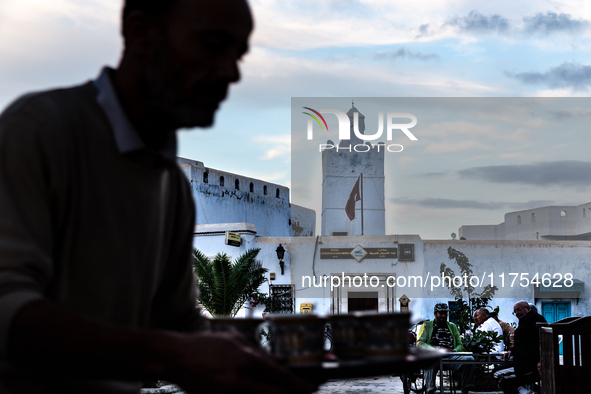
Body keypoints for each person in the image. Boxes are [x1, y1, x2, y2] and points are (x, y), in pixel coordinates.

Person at [0, 1, 314, 393]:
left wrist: (247, 359)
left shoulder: (170, 188)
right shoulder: (40, 133)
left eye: (237, 55)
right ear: (141, 34)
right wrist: (167, 353)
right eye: (213, 45)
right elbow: (8, 310)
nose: (231, 72)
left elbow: (177, 321)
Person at [417, 303, 475, 394]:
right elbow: (420, 343)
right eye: (441, 313)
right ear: (435, 314)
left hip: (450, 356)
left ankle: (465, 390)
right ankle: (430, 390)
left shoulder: (452, 326)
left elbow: (460, 344)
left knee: (469, 359)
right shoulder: (426, 325)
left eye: (445, 313)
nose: (443, 316)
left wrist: (454, 350)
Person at [494, 301, 547, 394]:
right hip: (522, 363)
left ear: (528, 308)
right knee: (508, 380)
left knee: (497, 374)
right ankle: (523, 391)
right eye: (515, 311)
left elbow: (539, 342)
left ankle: (523, 392)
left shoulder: (534, 319)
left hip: (529, 365)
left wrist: (540, 360)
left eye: (519, 309)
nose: (517, 313)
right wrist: (511, 351)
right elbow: (522, 342)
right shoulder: (525, 320)